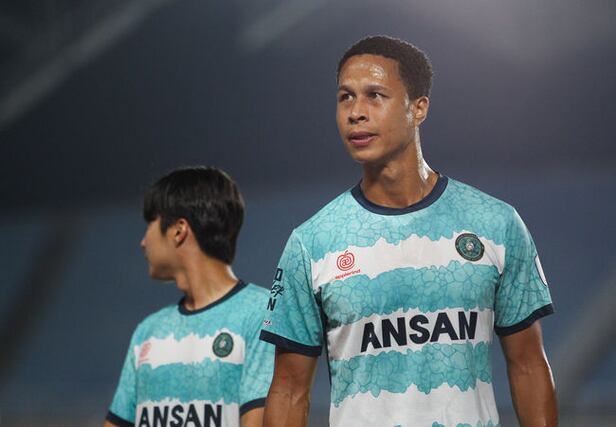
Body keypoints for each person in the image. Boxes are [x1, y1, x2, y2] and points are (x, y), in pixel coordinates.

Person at [260, 35, 557, 426]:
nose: (356, 113)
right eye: (345, 97)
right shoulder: (312, 243)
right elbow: (289, 390)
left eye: (375, 95)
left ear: (419, 108)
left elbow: (528, 364)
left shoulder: (495, 224)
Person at [104, 166, 274, 427]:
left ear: (178, 230)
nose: (143, 242)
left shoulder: (261, 314)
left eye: (150, 223)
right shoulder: (148, 332)